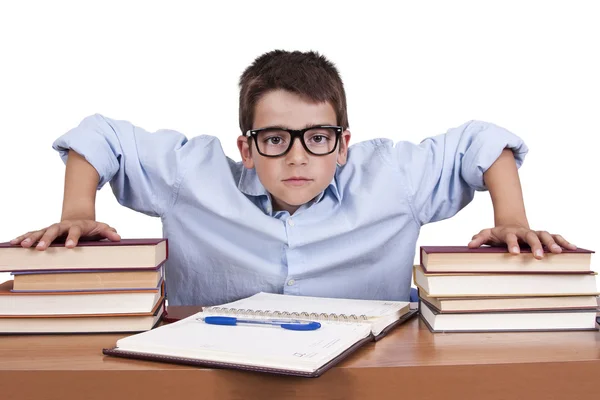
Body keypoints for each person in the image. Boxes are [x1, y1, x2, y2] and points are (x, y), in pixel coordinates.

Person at [10, 50, 576, 306]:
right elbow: (100, 134)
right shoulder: (193, 175)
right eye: (276, 139)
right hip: (216, 374)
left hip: (363, 372)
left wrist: (511, 220)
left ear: (343, 144)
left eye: (318, 137)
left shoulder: (393, 178)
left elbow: (481, 139)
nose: (298, 158)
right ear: (246, 148)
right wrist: (78, 212)